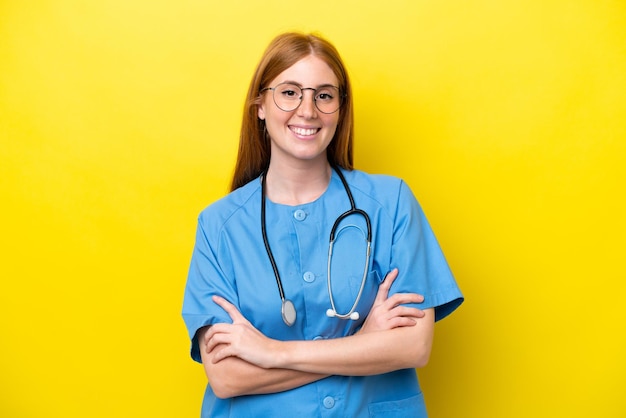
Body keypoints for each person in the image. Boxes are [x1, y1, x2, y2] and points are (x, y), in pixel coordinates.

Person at [182, 32, 463, 417]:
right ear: (260, 105)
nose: (308, 110)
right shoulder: (219, 227)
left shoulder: (391, 203)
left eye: (324, 95)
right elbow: (228, 377)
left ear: (340, 109)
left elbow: (413, 347)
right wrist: (364, 342)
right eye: (290, 92)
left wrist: (272, 352)